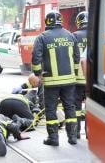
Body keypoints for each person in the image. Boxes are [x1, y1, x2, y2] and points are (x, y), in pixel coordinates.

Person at [32, 11, 80, 146]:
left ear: (47, 22)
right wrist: (74, 72)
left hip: (51, 82)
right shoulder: (70, 36)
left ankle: (53, 139)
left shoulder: (42, 37)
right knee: (70, 107)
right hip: (69, 81)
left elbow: (36, 57)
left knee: (51, 109)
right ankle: (72, 137)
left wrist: (37, 74)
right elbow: (77, 57)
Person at [73, 11, 88, 139]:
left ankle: (76, 132)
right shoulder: (97, 35)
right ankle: (90, 133)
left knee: (76, 107)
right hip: (92, 79)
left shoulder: (74, 36)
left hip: (77, 79)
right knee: (90, 108)